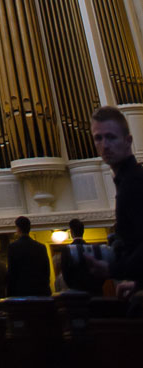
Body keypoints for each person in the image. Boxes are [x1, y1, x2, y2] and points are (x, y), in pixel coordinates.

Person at [90, 105, 143, 298]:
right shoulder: (128, 181)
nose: (104, 145)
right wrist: (137, 284)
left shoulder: (135, 183)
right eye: (98, 138)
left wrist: (112, 269)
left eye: (111, 137)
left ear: (128, 140)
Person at [6, 216, 51, 297]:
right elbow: (46, 270)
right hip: (39, 290)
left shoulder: (13, 247)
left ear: (18, 229)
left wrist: (10, 293)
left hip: (21, 291)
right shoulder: (40, 247)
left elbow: (12, 271)